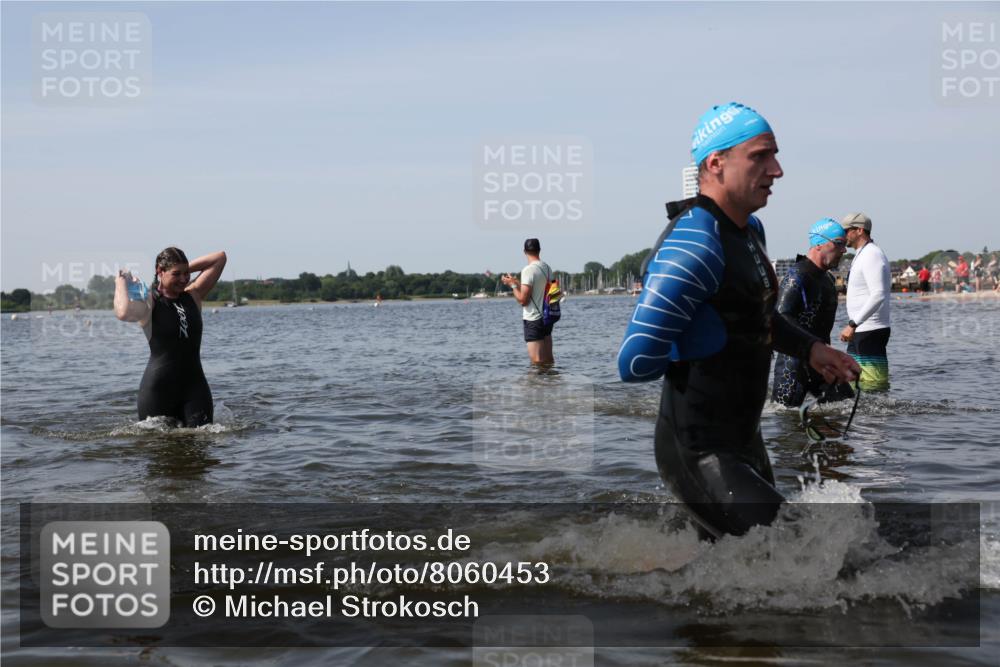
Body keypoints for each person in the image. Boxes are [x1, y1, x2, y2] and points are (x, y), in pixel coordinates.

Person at [617, 102, 859, 538]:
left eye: (775, 154)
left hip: (747, 440)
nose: (777, 169)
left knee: (748, 575)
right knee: (804, 551)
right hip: (698, 451)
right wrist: (690, 331)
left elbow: (759, 316)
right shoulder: (692, 245)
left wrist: (811, 348)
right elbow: (633, 364)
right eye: (760, 156)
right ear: (716, 162)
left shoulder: (751, 232)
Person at [114, 247, 227, 426]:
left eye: (186, 273)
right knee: (160, 449)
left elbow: (219, 258)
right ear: (160, 271)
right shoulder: (150, 303)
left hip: (195, 389)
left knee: (202, 445)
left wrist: (184, 268)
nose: (183, 279)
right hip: (158, 391)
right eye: (176, 274)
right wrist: (121, 281)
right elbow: (123, 312)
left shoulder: (193, 295)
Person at [772, 218, 855, 407]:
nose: (843, 250)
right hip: (793, 367)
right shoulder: (797, 276)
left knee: (849, 409)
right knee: (786, 422)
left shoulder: (827, 279)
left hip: (823, 362)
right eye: (839, 243)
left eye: (845, 245)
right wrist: (811, 347)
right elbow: (781, 317)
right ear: (819, 244)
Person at [839, 213, 891, 391]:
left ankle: (876, 419)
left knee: (872, 384)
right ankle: (860, 418)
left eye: (846, 231)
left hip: (870, 329)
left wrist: (853, 324)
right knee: (854, 382)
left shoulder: (872, 255)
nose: (842, 235)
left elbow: (878, 294)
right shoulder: (861, 254)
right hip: (861, 329)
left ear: (859, 230)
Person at [501, 238, 556, 364]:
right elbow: (547, 293)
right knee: (548, 360)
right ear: (539, 250)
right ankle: (552, 383)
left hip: (533, 320)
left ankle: (536, 384)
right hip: (547, 318)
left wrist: (513, 286)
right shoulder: (547, 268)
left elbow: (523, 301)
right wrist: (516, 282)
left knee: (536, 362)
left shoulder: (528, 270)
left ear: (524, 251)